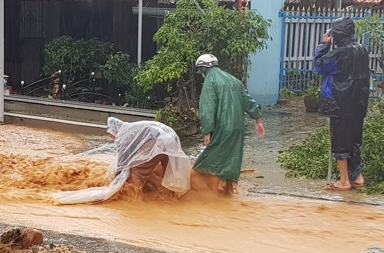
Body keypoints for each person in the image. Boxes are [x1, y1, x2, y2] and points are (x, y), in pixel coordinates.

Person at [53, 117, 191, 204]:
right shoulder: (129, 128)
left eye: (111, 134)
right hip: (171, 138)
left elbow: (124, 161)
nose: (111, 137)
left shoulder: (123, 135)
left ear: (115, 130)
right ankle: (173, 197)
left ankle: (135, 200)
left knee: (137, 171)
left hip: (161, 141)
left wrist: (116, 180)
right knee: (169, 172)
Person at [192, 53, 265, 195]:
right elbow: (248, 101)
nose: (201, 76)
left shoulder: (210, 82)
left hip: (223, 128)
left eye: (201, 72)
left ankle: (209, 196)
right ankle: (229, 193)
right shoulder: (235, 80)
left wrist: (207, 132)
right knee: (232, 159)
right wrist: (258, 119)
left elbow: (207, 108)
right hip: (238, 128)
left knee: (209, 162)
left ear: (204, 69)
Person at [313, 16, 370, 191]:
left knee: (340, 142)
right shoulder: (361, 49)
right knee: (354, 140)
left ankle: (344, 181)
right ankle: (357, 177)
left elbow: (320, 65)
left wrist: (324, 46)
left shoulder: (340, 52)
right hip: (358, 104)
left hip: (340, 102)